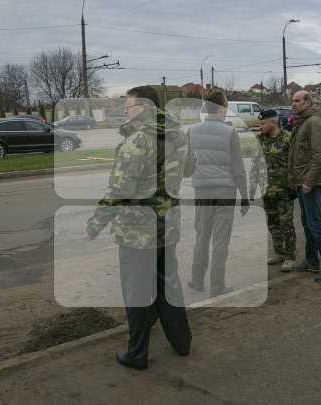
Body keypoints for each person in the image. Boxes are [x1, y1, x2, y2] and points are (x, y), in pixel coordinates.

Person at [85, 86, 196, 370]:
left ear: (145, 107)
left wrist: (96, 222)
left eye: (130, 105)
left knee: (137, 291)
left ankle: (137, 354)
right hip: (167, 227)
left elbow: (120, 189)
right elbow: (190, 168)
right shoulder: (179, 135)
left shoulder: (136, 140)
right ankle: (182, 343)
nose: (126, 109)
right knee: (167, 284)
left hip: (137, 232)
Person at [187, 90, 249, 297]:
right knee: (220, 239)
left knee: (202, 236)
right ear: (222, 108)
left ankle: (196, 280)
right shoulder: (230, 133)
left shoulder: (192, 131)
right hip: (225, 190)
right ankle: (217, 285)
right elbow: (238, 168)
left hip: (202, 190)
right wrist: (245, 195)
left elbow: (186, 164)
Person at [288, 91, 321, 283]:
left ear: (308, 103)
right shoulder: (301, 121)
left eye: (297, 100)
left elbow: (320, 156)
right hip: (301, 182)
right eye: (292, 101)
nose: (293, 104)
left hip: (310, 183)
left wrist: (309, 182)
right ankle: (312, 261)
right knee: (307, 222)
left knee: (315, 224)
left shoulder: (313, 123)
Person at [248, 109, 296, 270]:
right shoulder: (259, 140)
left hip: (284, 191)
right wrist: (252, 187)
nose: (260, 126)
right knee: (273, 224)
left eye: (262, 123)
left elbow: (296, 165)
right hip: (266, 191)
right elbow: (255, 165)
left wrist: (294, 186)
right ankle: (279, 253)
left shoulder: (288, 139)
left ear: (273, 122)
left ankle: (290, 257)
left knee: (286, 224)